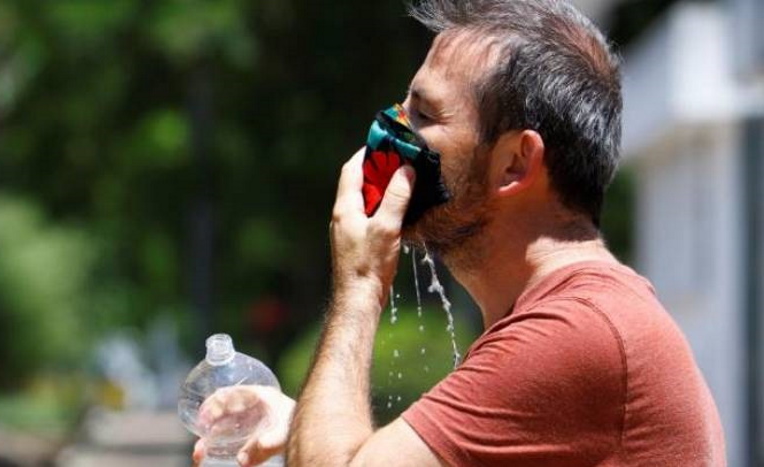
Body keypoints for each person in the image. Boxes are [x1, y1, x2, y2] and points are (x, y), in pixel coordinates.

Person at [193, 0, 726, 465]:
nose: (391, 129)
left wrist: (360, 283)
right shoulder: (569, 317)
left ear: (516, 162)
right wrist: (307, 426)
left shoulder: (578, 332)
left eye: (424, 114)